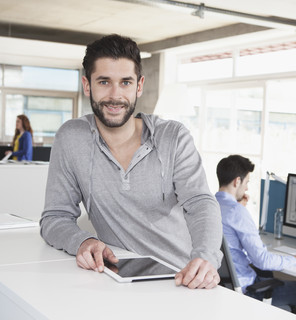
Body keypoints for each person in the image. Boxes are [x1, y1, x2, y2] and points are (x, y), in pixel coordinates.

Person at [40, 34, 222, 289]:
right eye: (104, 81)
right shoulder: (71, 138)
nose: (115, 95)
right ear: (87, 85)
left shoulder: (173, 137)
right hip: (117, 280)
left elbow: (201, 204)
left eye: (125, 82)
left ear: (139, 85)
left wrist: (206, 257)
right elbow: (55, 217)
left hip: (181, 280)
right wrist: (82, 241)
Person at [215, 155, 296, 320]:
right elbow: (262, 260)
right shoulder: (237, 212)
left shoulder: (211, 206)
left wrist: (239, 208)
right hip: (245, 290)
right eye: (247, 183)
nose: (247, 189)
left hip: (222, 286)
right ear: (237, 181)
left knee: (269, 275)